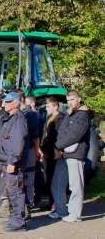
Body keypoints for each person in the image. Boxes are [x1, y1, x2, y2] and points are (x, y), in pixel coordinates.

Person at [53, 90, 91, 222]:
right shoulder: (71, 114)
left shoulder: (83, 115)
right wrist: (68, 115)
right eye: (68, 100)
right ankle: (68, 211)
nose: (69, 103)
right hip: (66, 153)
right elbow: (62, 130)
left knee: (76, 186)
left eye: (72, 100)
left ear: (79, 99)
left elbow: (74, 135)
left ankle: (75, 214)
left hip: (76, 153)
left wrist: (58, 146)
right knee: (65, 184)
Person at [0, 91, 28, 232]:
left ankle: (19, 222)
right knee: (11, 191)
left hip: (12, 163)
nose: (5, 104)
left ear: (16, 103)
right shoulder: (11, 118)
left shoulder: (18, 120)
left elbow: (18, 142)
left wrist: (12, 162)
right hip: (6, 161)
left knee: (16, 192)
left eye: (8, 102)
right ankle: (14, 219)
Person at [40, 97, 65, 210]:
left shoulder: (61, 118)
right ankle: (51, 201)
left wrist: (58, 149)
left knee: (55, 177)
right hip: (47, 151)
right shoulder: (49, 117)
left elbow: (58, 136)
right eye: (46, 106)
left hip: (55, 151)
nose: (46, 108)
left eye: (48, 106)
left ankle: (56, 203)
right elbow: (45, 134)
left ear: (55, 106)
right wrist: (41, 149)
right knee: (48, 176)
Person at [20, 94, 41, 213]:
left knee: (28, 179)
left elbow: (35, 136)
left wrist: (37, 150)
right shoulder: (18, 114)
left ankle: (28, 204)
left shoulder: (31, 114)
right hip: (19, 151)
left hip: (28, 150)